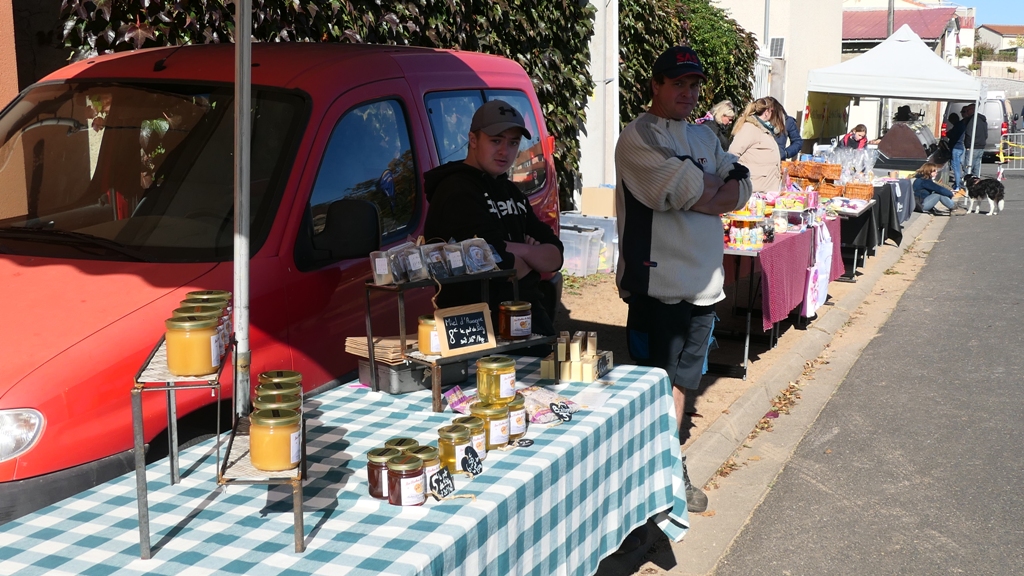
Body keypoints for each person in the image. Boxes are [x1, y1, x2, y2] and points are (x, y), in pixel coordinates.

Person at [614, 45, 753, 521]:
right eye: (678, 84)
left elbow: (741, 184)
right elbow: (677, 189)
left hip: (704, 285)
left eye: (694, 85)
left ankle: (668, 467)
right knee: (651, 386)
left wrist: (705, 189)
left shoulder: (704, 135)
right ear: (656, 85)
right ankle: (643, 485)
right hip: (658, 283)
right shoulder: (637, 136)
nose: (689, 93)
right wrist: (709, 188)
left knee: (683, 385)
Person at [423, 100, 564, 335]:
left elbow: (555, 256)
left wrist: (519, 252)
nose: (504, 151)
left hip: (526, 316)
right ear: (473, 140)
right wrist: (530, 253)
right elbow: (493, 260)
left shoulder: (511, 191)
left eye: (513, 143)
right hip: (476, 326)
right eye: (496, 140)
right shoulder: (456, 190)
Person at [728, 98, 782, 192]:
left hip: (765, 189)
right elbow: (732, 154)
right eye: (773, 112)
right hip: (754, 190)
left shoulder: (764, 129)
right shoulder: (749, 128)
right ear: (767, 112)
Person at [766, 96, 802, 161]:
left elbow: (797, 141)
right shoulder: (759, 121)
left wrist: (786, 153)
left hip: (778, 161)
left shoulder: (788, 121)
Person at [961, 103, 988, 179]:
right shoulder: (982, 120)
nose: (966, 112)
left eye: (967, 110)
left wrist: (968, 145)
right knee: (976, 167)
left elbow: (969, 133)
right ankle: (976, 181)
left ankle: (966, 182)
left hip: (973, 146)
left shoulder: (972, 120)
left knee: (968, 167)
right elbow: (986, 134)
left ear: (972, 110)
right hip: (981, 146)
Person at [945, 112, 966, 190]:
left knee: (956, 168)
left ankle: (958, 185)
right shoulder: (961, 125)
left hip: (956, 148)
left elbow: (951, 135)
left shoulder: (957, 126)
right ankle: (960, 182)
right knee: (961, 166)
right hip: (961, 147)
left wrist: (948, 133)